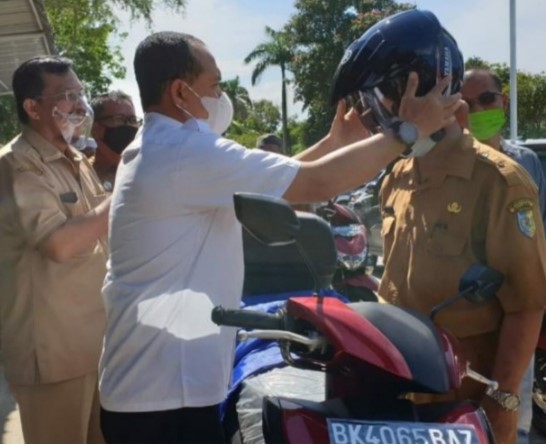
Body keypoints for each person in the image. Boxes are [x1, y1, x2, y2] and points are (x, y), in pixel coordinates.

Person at [98, 31, 461, 444]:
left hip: (155, 382)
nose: (221, 95)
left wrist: (333, 142)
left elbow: (272, 179)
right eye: (214, 85)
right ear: (180, 92)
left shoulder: (165, 148)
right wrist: (407, 131)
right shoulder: (185, 154)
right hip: (163, 395)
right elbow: (317, 183)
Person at [330, 9, 546, 444]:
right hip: (402, 393)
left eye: (379, 101)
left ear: (423, 87)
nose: (372, 118)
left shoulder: (498, 181)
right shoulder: (397, 177)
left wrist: (503, 403)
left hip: (467, 404)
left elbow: (526, 305)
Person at [0, 56, 110, 444]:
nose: (79, 106)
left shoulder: (76, 157)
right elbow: (59, 244)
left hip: (93, 345)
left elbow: (102, 238)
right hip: (51, 356)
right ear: (32, 107)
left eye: (81, 95)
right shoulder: (15, 165)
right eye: (67, 96)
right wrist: (123, 196)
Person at [462, 68, 546, 443]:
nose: (478, 110)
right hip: (466, 310)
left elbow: (539, 235)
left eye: (486, 100)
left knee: (513, 410)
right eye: (466, 103)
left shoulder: (525, 163)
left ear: (503, 102)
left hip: (519, 308)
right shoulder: (448, 165)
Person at [90, 90, 141, 192]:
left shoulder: (144, 172)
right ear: (95, 128)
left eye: (132, 120)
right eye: (119, 119)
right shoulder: (81, 172)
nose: (128, 126)